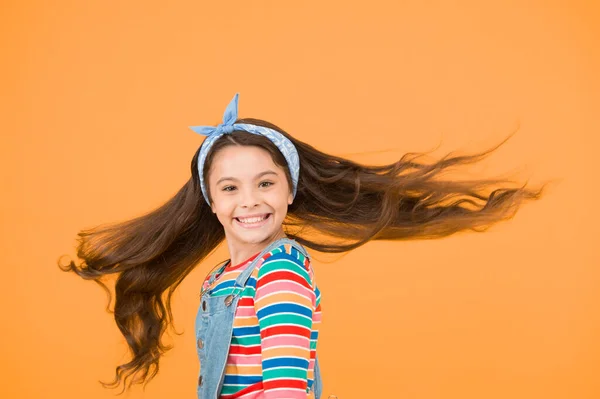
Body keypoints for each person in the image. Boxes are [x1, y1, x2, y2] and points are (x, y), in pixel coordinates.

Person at [60, 93, 546, 399]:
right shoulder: (220, 277)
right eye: (230, 188)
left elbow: (286, 388)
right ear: (210, 200)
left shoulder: (279, 276)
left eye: (265, 183)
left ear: (290, 190)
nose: (249, 201)